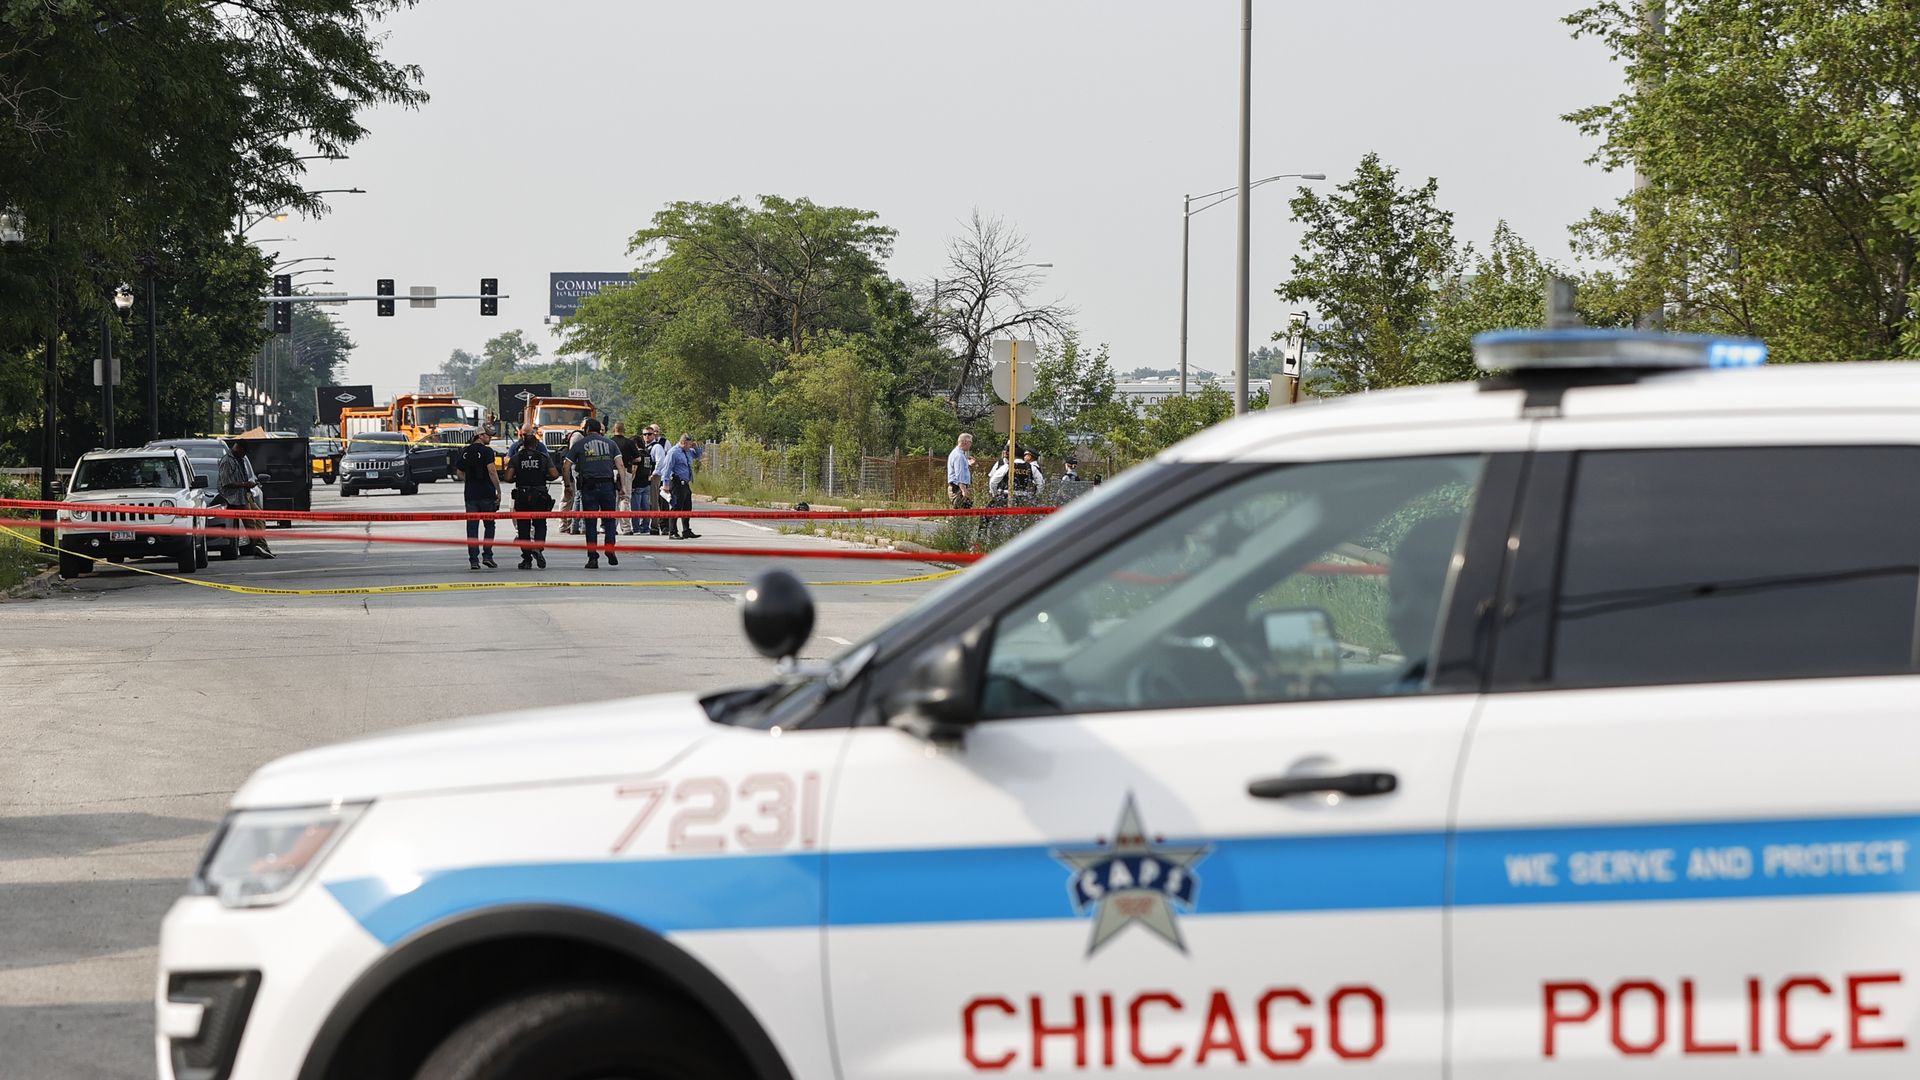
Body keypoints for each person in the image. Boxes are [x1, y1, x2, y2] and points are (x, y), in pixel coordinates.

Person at [566, 417, 622, 569]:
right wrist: (622, 485)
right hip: (607, 486)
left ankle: (593, 558)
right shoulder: (611, 443)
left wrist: (567, 485)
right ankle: (610, 548)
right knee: (609, 519)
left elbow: (566, 465)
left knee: (590, 523)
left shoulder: (579, 444)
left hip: (588, 487)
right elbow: (620, 465)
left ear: (587, 429)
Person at [502, 425, 558, 570]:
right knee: (540, 524)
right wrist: (543, 476)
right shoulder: (544, 457)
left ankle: (526, 559)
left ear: (523, 444)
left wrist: (518, 476)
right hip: (540, 495)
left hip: (522, 495)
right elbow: (554, 475)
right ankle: (538, 548)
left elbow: (508, 478)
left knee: (523, 527)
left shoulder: (516, 458)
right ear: (536, 445)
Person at [217, 440, 273, 558]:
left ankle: (263, 546)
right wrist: (244, 484)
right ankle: (258, 547)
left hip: (245, 495)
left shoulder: (239, 459)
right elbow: (226, 482)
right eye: (244, 452)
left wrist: (248, 485)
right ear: (238, 448)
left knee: (260, 517)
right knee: (250, 522)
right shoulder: (227, 461)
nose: (245, 455)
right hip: (234, 498)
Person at [455, 430, 501, 570]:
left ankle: (474, 560)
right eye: (488, 435)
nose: (490, 438)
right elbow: (492, 471)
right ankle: (487, 556)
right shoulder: (487, 451)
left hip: (470, 495)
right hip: (486, 493)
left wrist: (470, 482)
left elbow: (459, 472)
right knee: (489, 525)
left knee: (472, 528)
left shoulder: (465, 451)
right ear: (480, 436)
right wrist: (498, 490)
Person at [662, 434, 702, 539]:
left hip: (685, 483)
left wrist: (695, 446)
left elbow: (698, 455)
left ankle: (686, 530)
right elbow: (667, 468)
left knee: (687, 507)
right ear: (684, 442)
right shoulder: (673, 452)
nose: (690, 446)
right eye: (689, 444)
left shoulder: (687, 451)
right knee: (676, 507)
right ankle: (673, 531)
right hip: (676, 482)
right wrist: (665, 484)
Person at [611, 421, 642, 535]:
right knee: (625, 499)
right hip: (626, 471)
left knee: (613, 500)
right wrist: (630, 461)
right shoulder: (629, 442)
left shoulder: (609, 442)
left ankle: (611, 527)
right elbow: (638, 459)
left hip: (612, 472)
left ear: (614, 430)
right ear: (624, 430)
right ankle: (626, 528)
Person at [558, 429, 584, 534]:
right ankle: (563, 525)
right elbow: (566, 469)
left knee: (572, 501)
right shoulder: (567, 454)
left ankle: (569, 523)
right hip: (569, 480)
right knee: (567, 501)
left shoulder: (567, 452)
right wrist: (568, 484)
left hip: (571, 480)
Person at [645, 425, 669, 535]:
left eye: (649, 434)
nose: (647, 436)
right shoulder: (645, 447)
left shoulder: (657, 447)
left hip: (655, 477)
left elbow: (661, 462)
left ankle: (655, 526)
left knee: (654, 502)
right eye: (645, 434)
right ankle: (645, 524)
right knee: (646, 502)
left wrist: (654, 474)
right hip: (645, 477)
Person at [947, 432, 975, 509]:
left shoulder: (958, 454)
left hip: (958, 488)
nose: (971, 444)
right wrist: (964, 490)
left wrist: (968, 464)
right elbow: (959, 475)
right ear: (965, 442)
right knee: (960, 511)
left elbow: (960, 469)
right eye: (970, 442)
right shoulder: (959, 456)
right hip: (957, 488)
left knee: (961, 511)